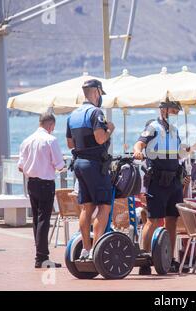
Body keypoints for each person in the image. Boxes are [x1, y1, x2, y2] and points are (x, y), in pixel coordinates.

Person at [133, 99, 196, 274]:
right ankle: (144, 259)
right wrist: (137, 151)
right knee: (153, 220)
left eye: (177, 112)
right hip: (157, 181)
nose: (176, 114)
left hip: (173, 182)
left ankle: (167, 257)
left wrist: (189, 150)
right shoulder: (153, 127)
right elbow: (140, 142)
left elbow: (177, 154)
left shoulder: (175, 131)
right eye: (174, 111)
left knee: (172, 220)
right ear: (164, 111)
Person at [66, 79, 115, 261]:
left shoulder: (73, 115)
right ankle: (96, 249)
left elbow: (70, 143)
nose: (101, 97)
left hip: (79, 163)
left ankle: (86, 248)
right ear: (96, 92)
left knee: (87, 207)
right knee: (105, 206)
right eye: (100, 94)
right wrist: (110, 129)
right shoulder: (96, 112)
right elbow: (101, 138)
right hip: (95, 164)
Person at [18, 113, 65, 268]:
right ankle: (42, 258)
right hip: (45, 184)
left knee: (37, 220)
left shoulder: (26, 141)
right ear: (50, 125)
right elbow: (60, 166)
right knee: (44, 220)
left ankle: (40, 257)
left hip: (31, 183)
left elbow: (20, 166)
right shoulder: (51, 140)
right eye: (53, 127)